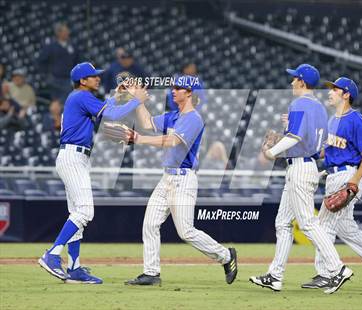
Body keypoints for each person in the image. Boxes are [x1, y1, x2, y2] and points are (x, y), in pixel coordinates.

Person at [38, 62, 148, 284]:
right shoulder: (80, 95)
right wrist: (137, 100)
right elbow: (112, 116)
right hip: (73, 157)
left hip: (74, 157)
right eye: (93, 76)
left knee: (77, 213)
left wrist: (116, 96)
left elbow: (105, 110)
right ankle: (52, 254)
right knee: (86, 212)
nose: (98, 78)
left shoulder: (80, 97)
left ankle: (75, 268)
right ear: (82, 81)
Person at [124, 75, 237, 286]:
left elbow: (172, 141)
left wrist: (139, 139)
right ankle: (151, 273)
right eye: (174, 86)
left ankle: (226, 256)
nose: (173, 90)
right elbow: (147, 123)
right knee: (149, 223)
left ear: (190, 93)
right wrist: (138, 101)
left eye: (179, 87)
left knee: (186, 231)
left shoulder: (194, 118)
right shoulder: (173, 116)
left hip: (184, 180)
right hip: (167, 178)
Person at [249, 64, 352, 294]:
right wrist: (285, 133)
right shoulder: (320, 108)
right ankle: (275, 276)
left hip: (300, 169)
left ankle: (337, 269)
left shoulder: (299, 103)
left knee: (307, 223)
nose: (291, 82)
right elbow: (318, 144)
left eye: (294, 78)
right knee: (282, 222)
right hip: (308, 165)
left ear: (302, 82)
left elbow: (295, 137)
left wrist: (271, 152)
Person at [301, 77, 362, 290]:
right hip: (334, 175)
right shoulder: (331, 121)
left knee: (323, 225)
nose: (329, 92)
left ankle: (327, 273)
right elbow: (325, 152)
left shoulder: (356, 119)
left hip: (348, 176)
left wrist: (354, 181)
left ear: (346, 94)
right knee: (347, 228)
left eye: (334, 89)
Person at [37, 22, 81, 102]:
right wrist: (46, 76)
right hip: (55, 80)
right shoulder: (51, 47)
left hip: (68, 80)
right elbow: (41, 61)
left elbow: (77, 61)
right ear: (59, 33)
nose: (68, 33)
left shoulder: (72, 46)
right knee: (57, 103)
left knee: (68, 102)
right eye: (65, 31)